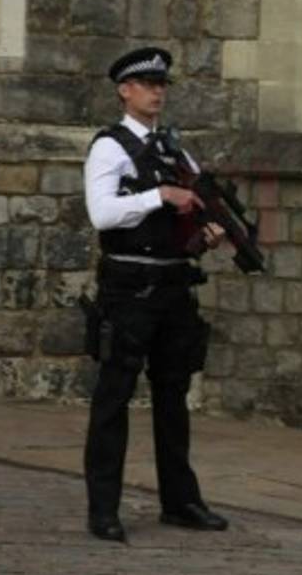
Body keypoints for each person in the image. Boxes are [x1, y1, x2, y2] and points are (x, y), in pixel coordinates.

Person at [82, 46, 229, 543]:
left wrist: (204, 235)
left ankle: (180, 500)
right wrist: (158, 195)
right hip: (129, 286)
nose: (157, 92)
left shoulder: (175, 150)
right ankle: (104, 508)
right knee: (113, 397)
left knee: (173, 396)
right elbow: (102, 213)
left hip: (172, 284)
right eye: (147, 84)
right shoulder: (111, 146)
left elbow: (187, 217)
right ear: (125, 90)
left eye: (162, 84)